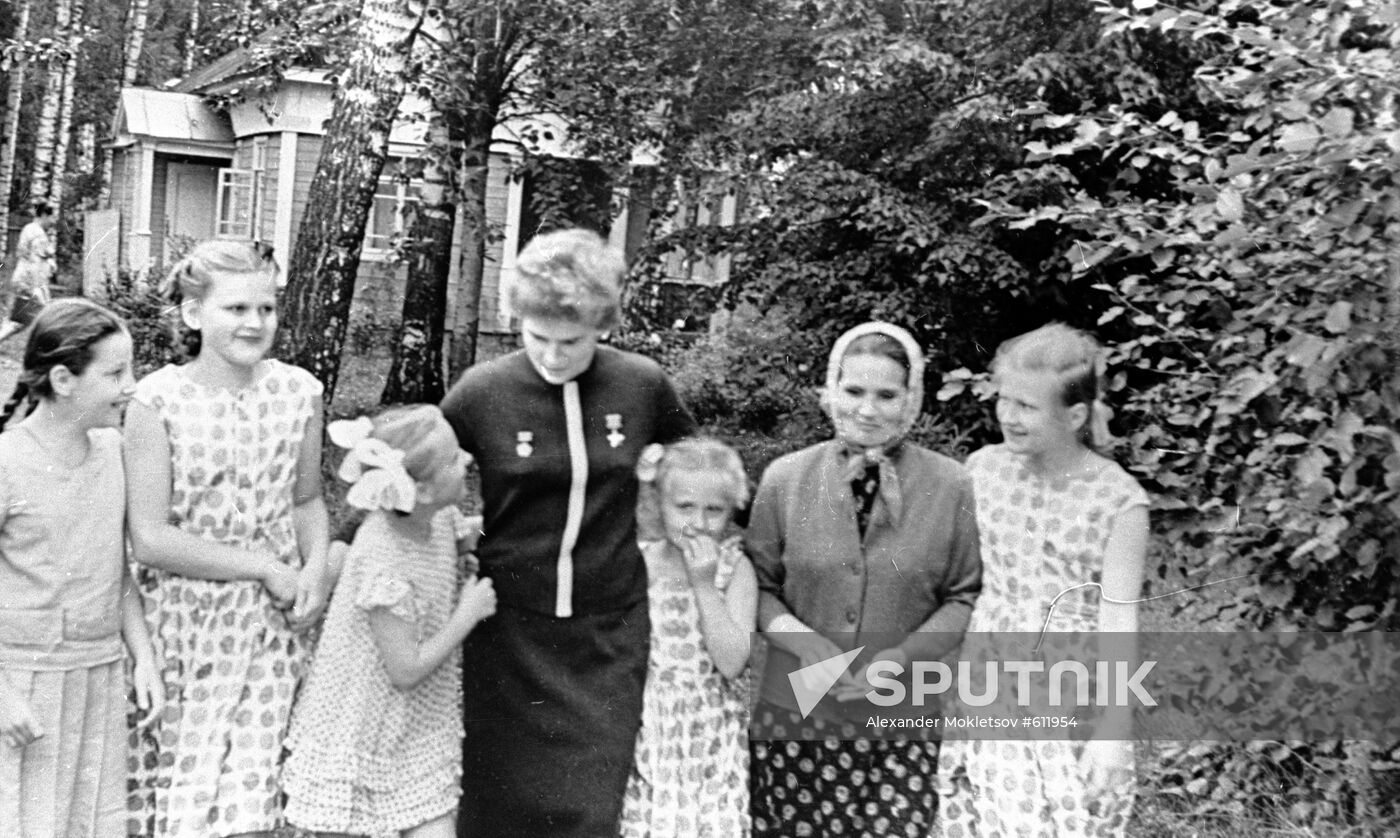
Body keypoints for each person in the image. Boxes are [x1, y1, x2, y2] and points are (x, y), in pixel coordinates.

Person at [439, 227, 697, 837]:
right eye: (537, 339)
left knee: (591, 803)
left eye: (572, 342)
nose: (553, 356)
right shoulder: (484, 391)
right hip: (507, 629)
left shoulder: (641, 383)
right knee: (496, 800)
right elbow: (412, 470)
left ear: (603, 325)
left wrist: (671, 495)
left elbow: (700, 468)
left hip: (607, 627)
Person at [124, 240, 331, 837]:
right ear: (194, 315)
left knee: (255, 797)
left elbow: (306, 500)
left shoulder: (299, 393)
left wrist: (314, 566)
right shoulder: (156, 401)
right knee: (183, 798)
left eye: (266, 309)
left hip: (272, 626)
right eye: (236, 309)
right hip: (184, 627)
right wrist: (261, 565)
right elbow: (151, 537)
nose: (254, 323)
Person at [746, 321, 982, 837]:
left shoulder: (952, 484)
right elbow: (757, 585)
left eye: (886, 395)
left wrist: (902, 658)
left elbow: (963, 596)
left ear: (912, 399)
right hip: (797, 710)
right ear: (830, 392)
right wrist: (801, 641)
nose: (868, 409)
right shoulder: (785, 478)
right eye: (853, 391)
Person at [935, 323, 1149, 838]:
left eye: (1026, 406)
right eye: (1004, 400)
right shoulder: (982, 470)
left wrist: (1113, 733)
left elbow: (1119, 616)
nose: (1007, 415)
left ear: (1074, 416)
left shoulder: (1119, 500)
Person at [282, 406, 497, 838]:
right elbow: (405, 669)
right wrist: (466, 614)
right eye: (455, 459)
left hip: (415, 727)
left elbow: (472, 533)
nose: (468, 462)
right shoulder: (383, 557)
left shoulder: (437, 518)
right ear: (420, 489)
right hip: (361, 729)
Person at [0, 299, 163, 836]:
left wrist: (142, 656)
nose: (131, 385)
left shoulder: (113, 451)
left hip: (98, 674)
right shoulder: (7, 463)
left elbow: (116, 573)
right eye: (116, 373)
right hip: (23, 687)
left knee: (86, 823)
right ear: (64, 379)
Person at [618, 437, 758, 838]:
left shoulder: (735, 569)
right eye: (684, 507)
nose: (698, 522)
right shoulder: (638, 563)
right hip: (650, 730)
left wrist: (703, 583)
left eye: (714, 509)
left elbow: (732, 661)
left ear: (732, 511)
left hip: (712, 734)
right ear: (659, 504)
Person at [0, 201, 58, 343]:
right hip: (30, 282)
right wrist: (36, 289)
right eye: (53, 218)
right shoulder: (38, 234)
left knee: (18, 322)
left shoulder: (29, 229)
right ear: (44, 215)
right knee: (48, 319)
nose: (54, 222)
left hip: (24, 280)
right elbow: (34, 262)